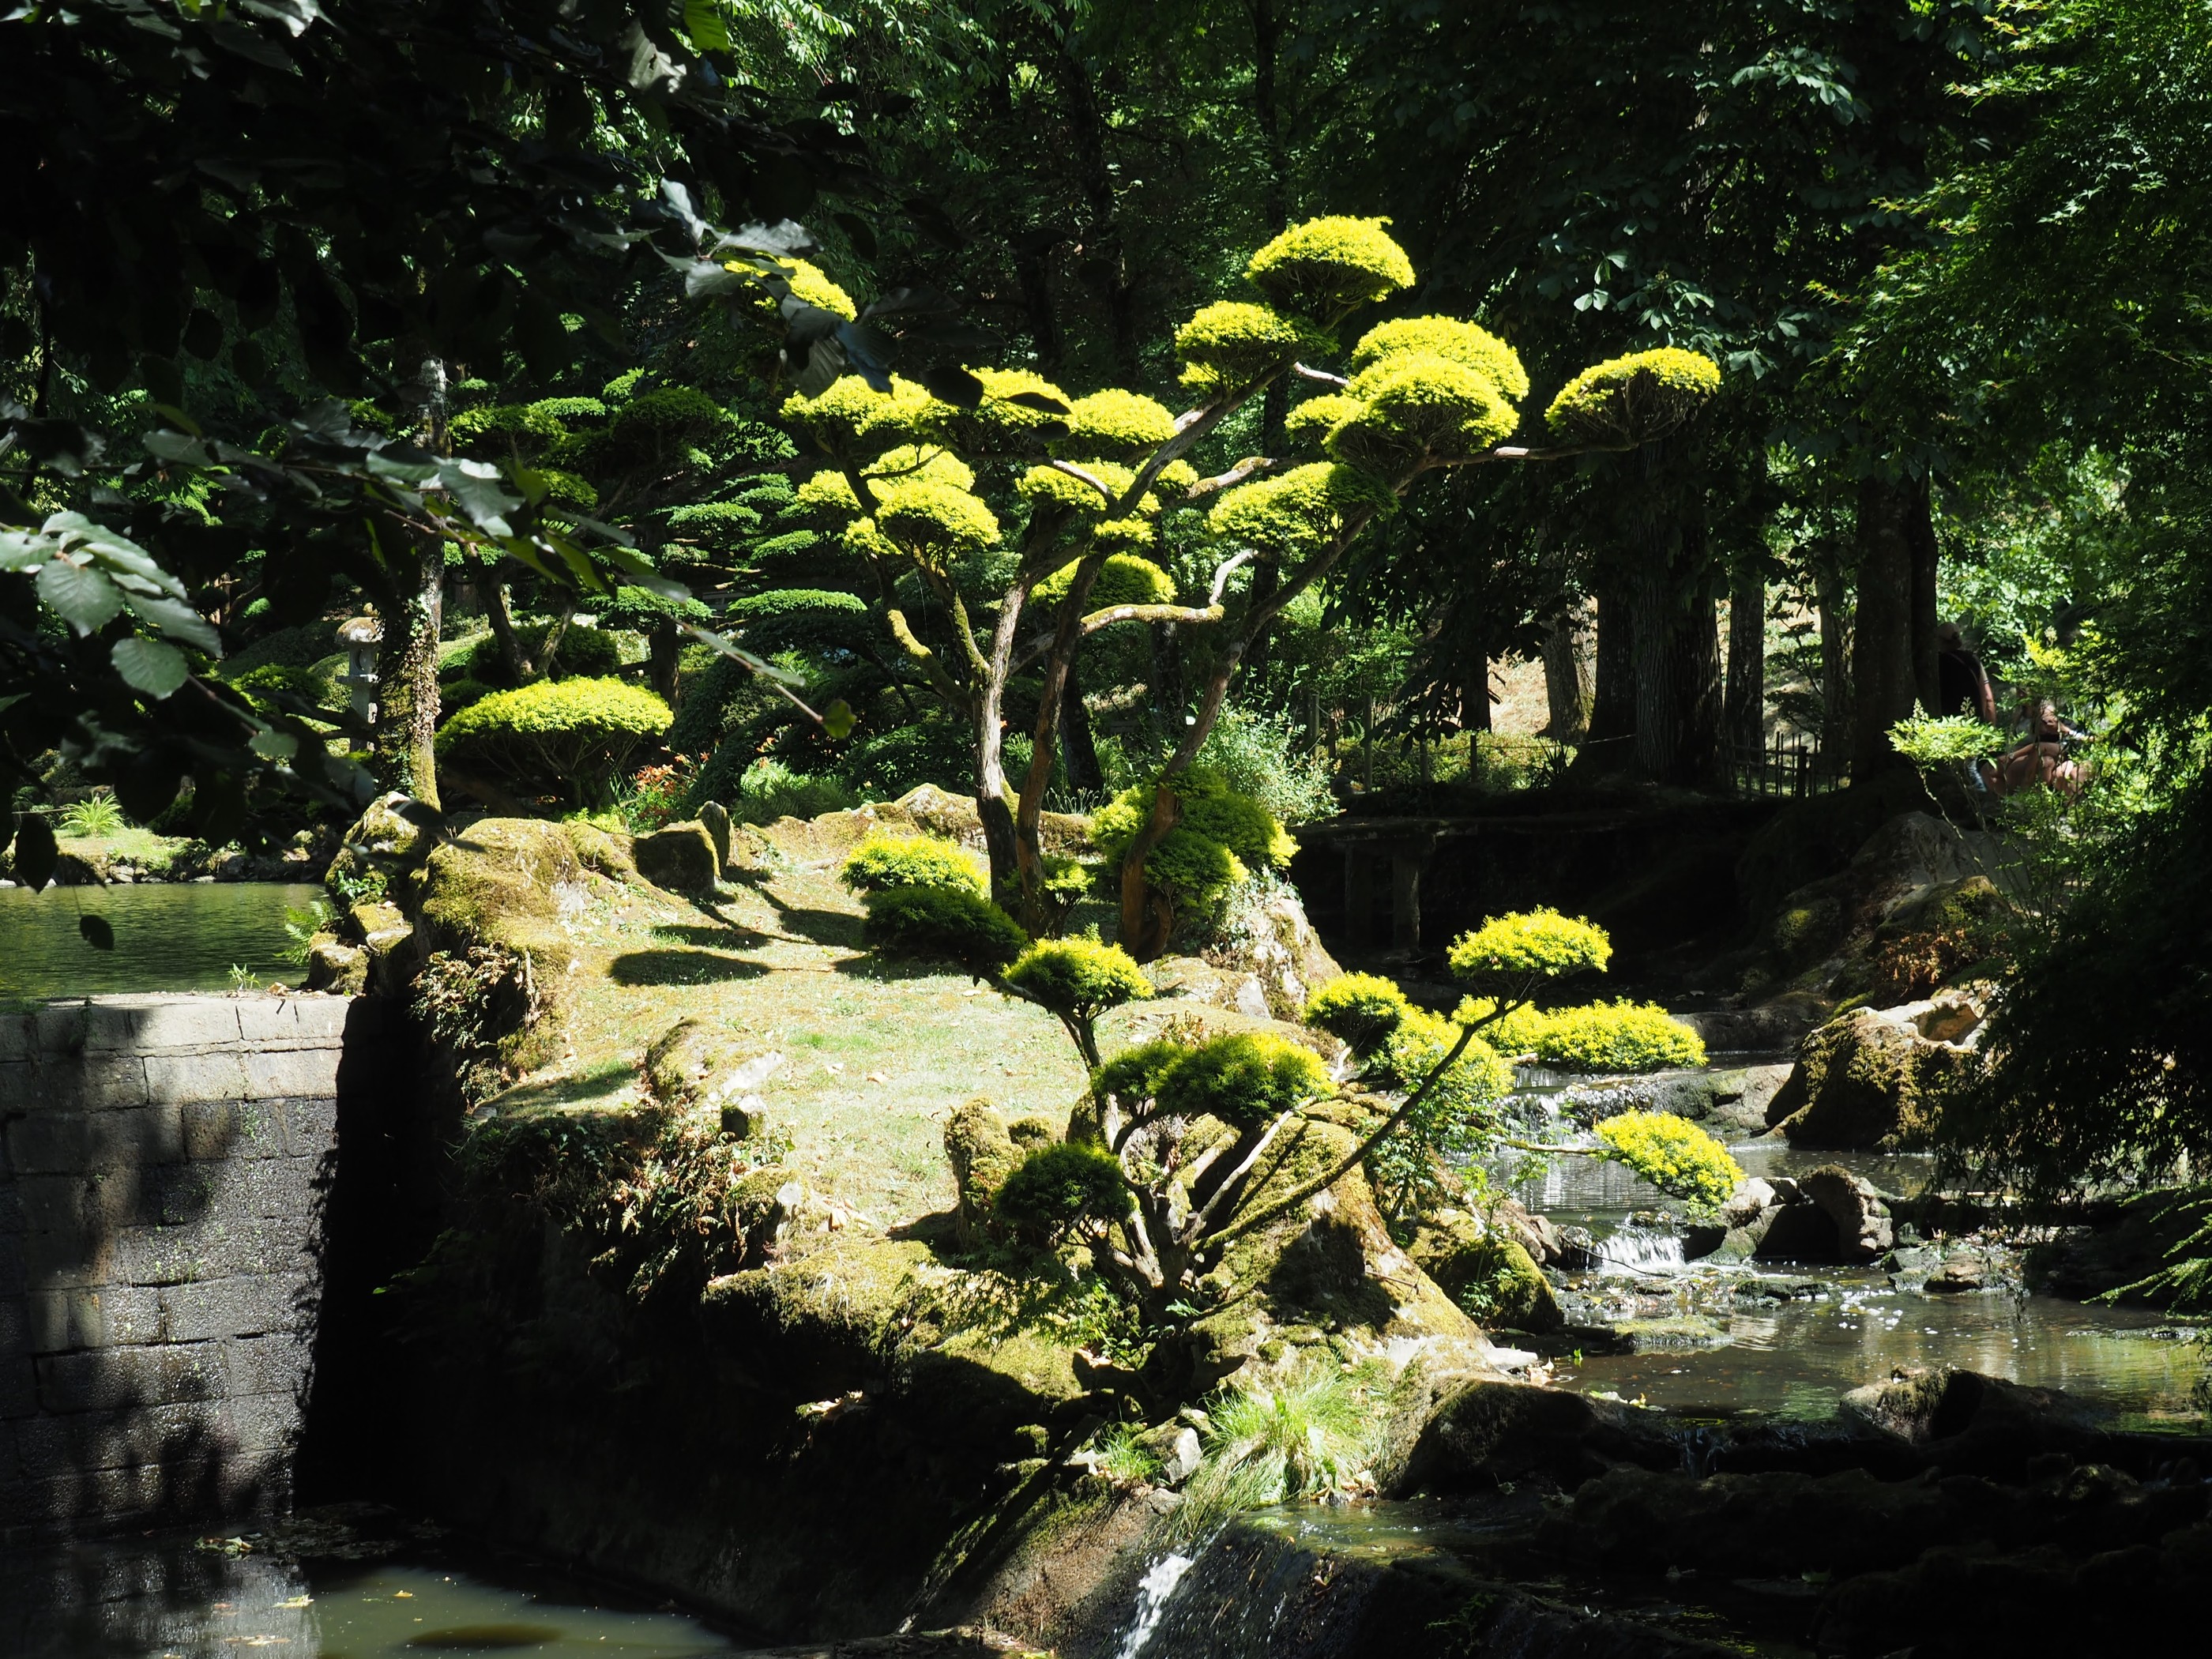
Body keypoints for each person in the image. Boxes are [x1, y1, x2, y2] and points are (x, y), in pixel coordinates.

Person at [1936, 621, 1997, 793]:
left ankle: (1984, 807)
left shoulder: (1936, 664)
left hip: (1946, 727)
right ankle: (1982, 807)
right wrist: (1990, 729)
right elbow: (1988, 697)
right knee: (1969, 769)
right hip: (1973, 725)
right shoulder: (1973, 661)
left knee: (1959, 773)